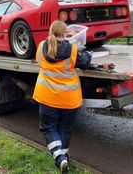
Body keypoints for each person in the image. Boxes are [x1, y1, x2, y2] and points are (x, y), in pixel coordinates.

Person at [33, 20, 92, 173]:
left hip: (47, 97)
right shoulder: (72, 49)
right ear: (65, 33)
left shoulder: (41, 46)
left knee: (48, 128)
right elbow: (84, 62)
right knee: (65, 129)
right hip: (69, 99)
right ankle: (64, 158)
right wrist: (87, 53)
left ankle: (60, 158)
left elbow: (38, 61)